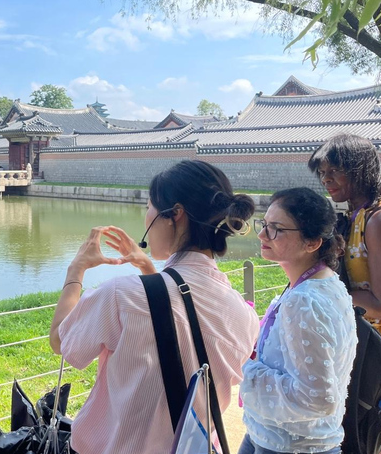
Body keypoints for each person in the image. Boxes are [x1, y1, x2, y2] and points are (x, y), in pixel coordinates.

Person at [49, 160, 259, 454]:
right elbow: (175, 312)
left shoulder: (122, 295)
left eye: (149, 207)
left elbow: (61, 341)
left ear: (174, 214)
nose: (145, 216)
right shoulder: (244, 315)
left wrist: (76, 271)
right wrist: (148, 267)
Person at [239, 187, 357, 453]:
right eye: (264, 224)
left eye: (276, 229)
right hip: (277, 435)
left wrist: (247, 370)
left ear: (312, 242)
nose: (261, 234)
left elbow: (316, 399)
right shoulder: (325, 282)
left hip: (289, 445)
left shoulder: (304, 301)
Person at [308, 133, 381, 452]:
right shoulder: (354, 217)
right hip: (364, 346)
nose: (326, 179)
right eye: (322, 172)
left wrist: (320, 292)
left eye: (334, 170)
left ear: (360, 168)